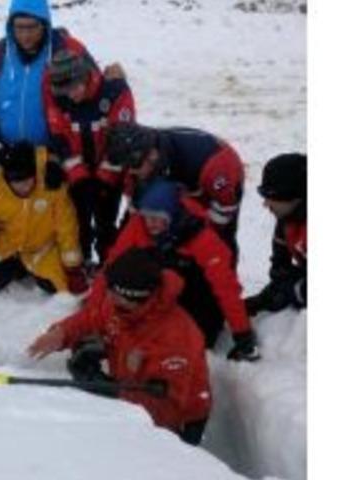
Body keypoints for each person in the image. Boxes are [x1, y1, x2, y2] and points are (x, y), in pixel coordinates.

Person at [27, 248, 212, 445]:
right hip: (132, 392)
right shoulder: (121, 306)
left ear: (135, 297)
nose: (108, 296)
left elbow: (167, 408)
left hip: (179, 420)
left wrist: (108, 390)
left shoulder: (176, 338)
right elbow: (92, 318)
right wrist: (62, 333)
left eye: (114, 293)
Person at [89, 178, 260, 360]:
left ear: (173, 215)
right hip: (160, 294)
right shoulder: (138, 225)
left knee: (195, 341)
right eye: (148, 216)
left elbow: (225, 287)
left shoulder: (201, 237)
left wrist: (243, 335)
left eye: (159, 218)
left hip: (199, 299)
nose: (151, 223)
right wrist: (93, 316)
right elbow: (111, 268)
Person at [44, 49, 137, 264]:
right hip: (77, 172)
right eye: (65, 91)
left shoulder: (115, 92)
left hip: (111, 171)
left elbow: (122, 137)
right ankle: (81, 261)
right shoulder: (58, 98)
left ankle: (108, 266)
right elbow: (60, 136)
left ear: (85, 76)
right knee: (78, 223)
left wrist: (105, 180)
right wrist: (79, 176)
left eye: (74, 88)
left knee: (106, 223)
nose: (71, 95)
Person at [0, 142, 86, 294]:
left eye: (28, 180)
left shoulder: (51, 184)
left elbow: (67, 227)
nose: (24, 187)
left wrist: (72, 267)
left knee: (55, 287)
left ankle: (30, 269)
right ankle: (19, 266)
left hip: (42, 248)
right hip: (9, 247)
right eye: (17, 182)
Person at [106, 123, 245, 260]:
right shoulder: (138, 164)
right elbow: (135, 216)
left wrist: (200, 234)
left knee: (218, 241)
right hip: (179, 179)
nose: (131, 172)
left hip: (217, 182)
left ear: (152, 155)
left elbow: (224, 213)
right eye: (127, 168)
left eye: (134, 167)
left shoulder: (216, 167)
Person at [0, 0, 94, 146]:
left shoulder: (68, 48)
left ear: (44, 24)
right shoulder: (0, 52)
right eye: (19, 27)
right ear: (11, 25)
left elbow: (95, 87)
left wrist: (114, 79)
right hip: (9, 154)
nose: (25, 35)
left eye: (32, 27)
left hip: (58, 155)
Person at [244, 153, 307, 315]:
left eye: (271, 197)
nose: (265, 204)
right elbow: (280, 261)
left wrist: (293, 291)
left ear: (295, 197)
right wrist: (265, 298)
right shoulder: (288, 217)